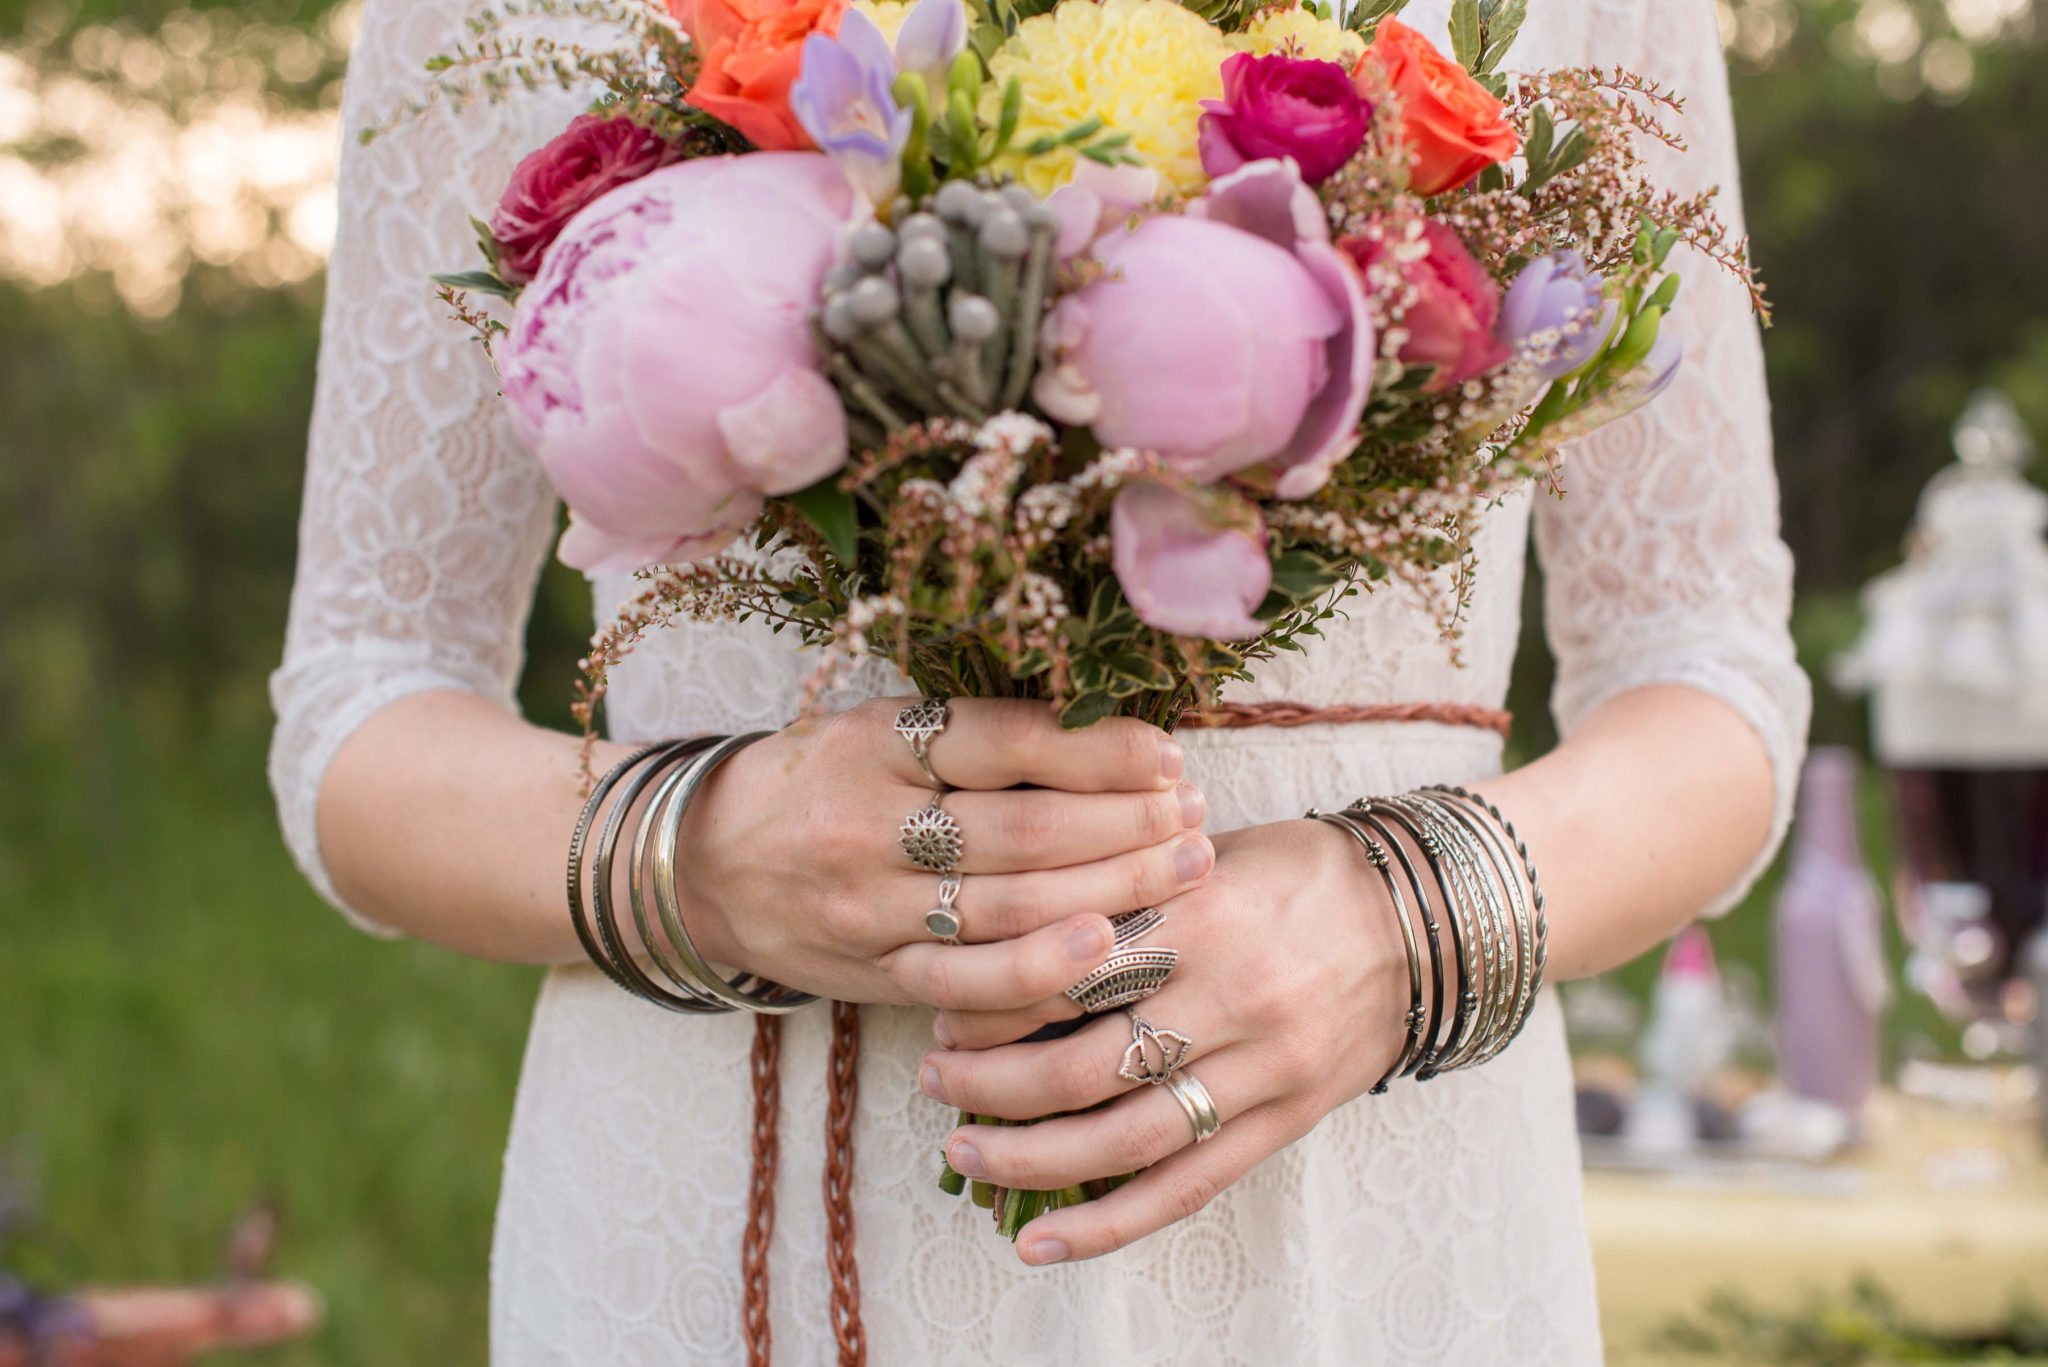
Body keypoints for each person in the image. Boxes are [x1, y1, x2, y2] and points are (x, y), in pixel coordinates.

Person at [268, 0, 1809, 1357]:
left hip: (1376, 1221)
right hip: (721, 1217)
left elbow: (1709, 671)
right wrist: (704, 858)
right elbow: (363, 694)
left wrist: (1397, 924)